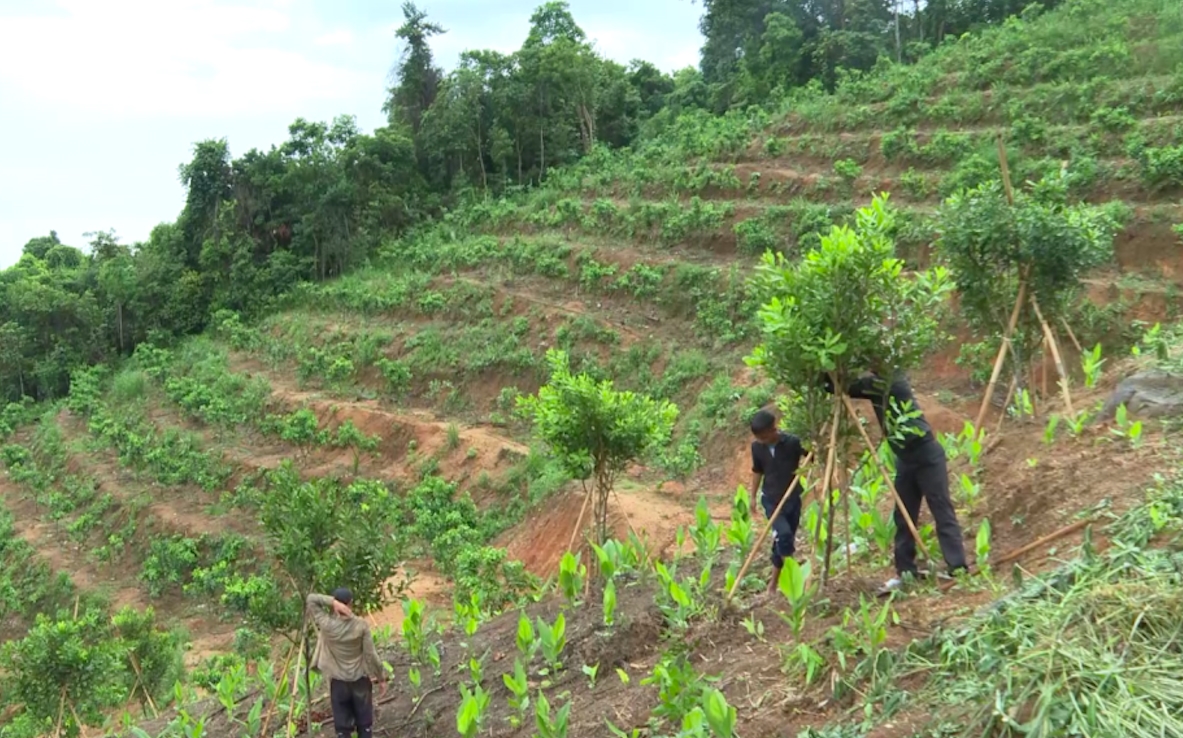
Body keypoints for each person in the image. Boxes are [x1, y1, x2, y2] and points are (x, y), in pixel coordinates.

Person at [822, 369, 968, 594]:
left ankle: (958, 567)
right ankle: (906, 572)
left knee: (941, 508)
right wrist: (825, 376)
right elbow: (841, 388)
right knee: (903, 515)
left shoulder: (893, 381)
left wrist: (832, 376)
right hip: (905, 459)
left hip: (927, 454)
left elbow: (852, 387)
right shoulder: (878, 385)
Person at [307, 587, 388, 738]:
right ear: (351, 604)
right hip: (360, 682)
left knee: (342, 730)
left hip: (338, 684)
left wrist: (331, 602)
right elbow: (371, 655)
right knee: (365, 726)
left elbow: (311, 599)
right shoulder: (360, 626)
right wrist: (381, 678)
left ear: (337, 605)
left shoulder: (327, 625)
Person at [749, 409, 808, 595]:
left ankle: (773, 585)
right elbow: (757, 471)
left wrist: (816, 447)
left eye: (767, 435)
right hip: (771, 500)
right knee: (783, 535)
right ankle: (794, 578)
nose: (763, 440)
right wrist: (752, 496)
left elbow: (811, 454)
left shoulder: (792, 442)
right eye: (760, 437)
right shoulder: (757, 448)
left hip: (792, 498)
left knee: (782, 541)